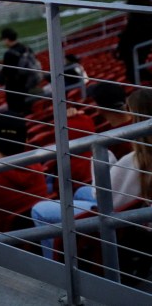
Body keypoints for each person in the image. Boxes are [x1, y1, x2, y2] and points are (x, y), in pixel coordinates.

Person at [30, 87, 151, 259]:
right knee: (80, 191)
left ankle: (56, 270)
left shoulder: (131, 159)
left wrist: (100, 156)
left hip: (115, 214)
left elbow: (100, 193)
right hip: (131, 208)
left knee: (39, 210)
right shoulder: (134, 156)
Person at [0, 27, 41, 115]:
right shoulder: (26, 48)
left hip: (16, 91)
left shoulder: (9, 54)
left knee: (17, 114)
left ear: (7, 39)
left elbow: (8, 75)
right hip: (30, 85)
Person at [116, 0, 152, 84]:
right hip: (139, 67)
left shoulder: (132, 29)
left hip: (135, 71)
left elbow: (121, 52)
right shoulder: (147, 24)